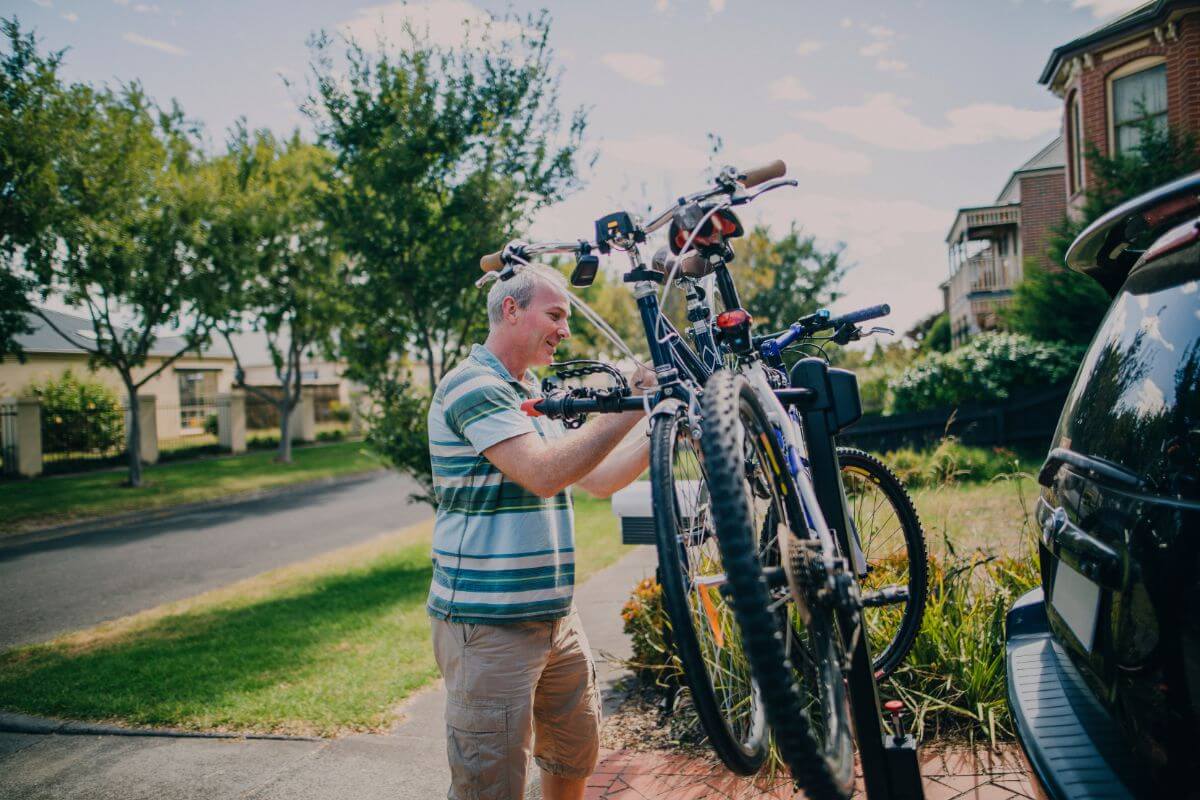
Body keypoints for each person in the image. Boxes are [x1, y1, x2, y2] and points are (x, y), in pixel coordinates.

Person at [426, 265, 652, 800]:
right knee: (490, 784)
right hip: (489, 625)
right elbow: (544, 473)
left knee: (573, 755)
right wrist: (631, 400)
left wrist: (664, 429)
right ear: (511, 309)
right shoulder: (473, 386)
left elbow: (596, 479)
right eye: (555, 315)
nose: (564, 330)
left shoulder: (531, 392)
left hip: (557, 619)